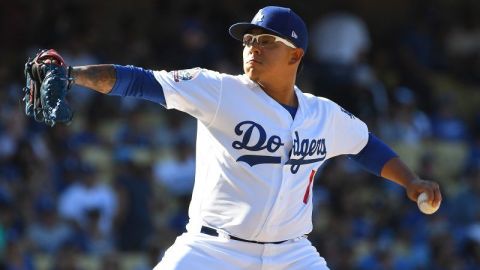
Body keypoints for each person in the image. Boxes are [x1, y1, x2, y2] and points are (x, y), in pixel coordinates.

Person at [57, 6, 441, 270]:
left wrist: (410, 181)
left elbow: (367, 146)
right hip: (212, 249)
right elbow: (141, 81)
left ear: (296, 56)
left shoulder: (323, 114)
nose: (253, 47)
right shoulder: (221, 90)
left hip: (291, 255)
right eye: (249, 40)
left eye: (267, 41)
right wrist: (72, 74)